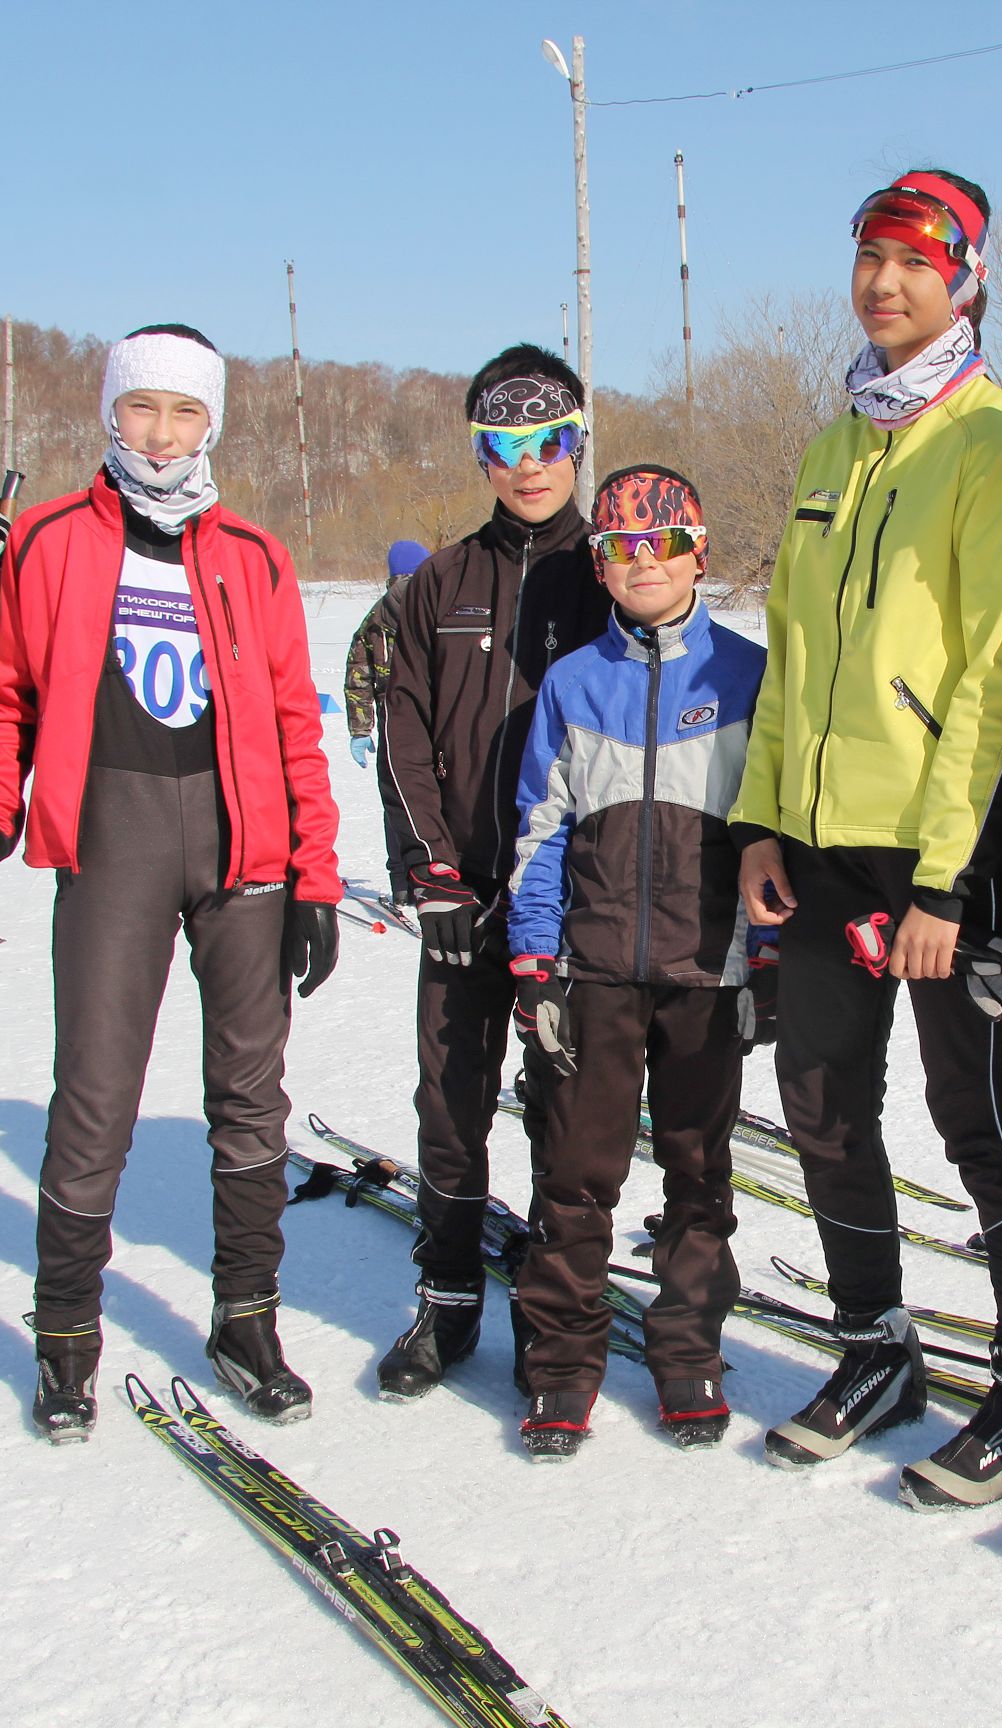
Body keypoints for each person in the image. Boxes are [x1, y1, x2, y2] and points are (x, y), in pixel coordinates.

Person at [0, 323, 342, 1440]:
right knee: (97, 1096)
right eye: (144, 408)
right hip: (113, 833)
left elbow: (295, 720)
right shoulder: (52, 538)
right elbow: (6, 694)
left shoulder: (252, 553)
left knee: (250, 1099)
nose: (163, 433)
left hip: (239, 842)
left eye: (186, 412)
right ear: (112, 413)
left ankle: (245, 1318)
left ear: (213, 423)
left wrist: (313, 874)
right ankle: (66, 1335)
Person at [729, 168, 1002, 1501]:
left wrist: (957, 878)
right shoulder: (832, 446)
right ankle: (876, 1345)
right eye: (870, 259)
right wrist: (760, 821)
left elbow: (999, 680)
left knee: (977, 1117)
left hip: (937, 857)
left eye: (915, 263)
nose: (885, 283)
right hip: (816, 846)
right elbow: (792, 655)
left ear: (965, 281)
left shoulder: (991, 444)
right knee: (821, 1104)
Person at [505, 464, 770, 1459]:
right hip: (597, 969)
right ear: (601, 567)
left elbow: (770, 826)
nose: (642, 563)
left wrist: (770, 959)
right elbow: (540, 829)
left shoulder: (744, 673)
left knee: (701, 1172)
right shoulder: (574, 683)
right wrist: (537, 962)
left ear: (699, 552)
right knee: (576, 1174)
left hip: (710, 971)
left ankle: (688, 1341)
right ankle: (562, 1363)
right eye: (619, 549)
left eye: (662, 545)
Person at [376, 344, 614, 1399]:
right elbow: (403, 731)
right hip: (464, 889)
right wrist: (429, 867)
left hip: (573, 893)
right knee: (451, 1097)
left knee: (567, 1102)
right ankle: (448, 1293)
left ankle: (551, 1303)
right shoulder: (442, 581)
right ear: (481, 454)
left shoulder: (613, 570)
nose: (530, 466)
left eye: (549, 441)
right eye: (505, 446)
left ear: (577, 443)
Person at [343, 538, 432, 766]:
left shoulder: (374, 617)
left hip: (393, 722)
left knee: (401, 795)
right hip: (441, 721)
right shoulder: (443, 605)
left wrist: (360, 730)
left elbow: (358, 678)